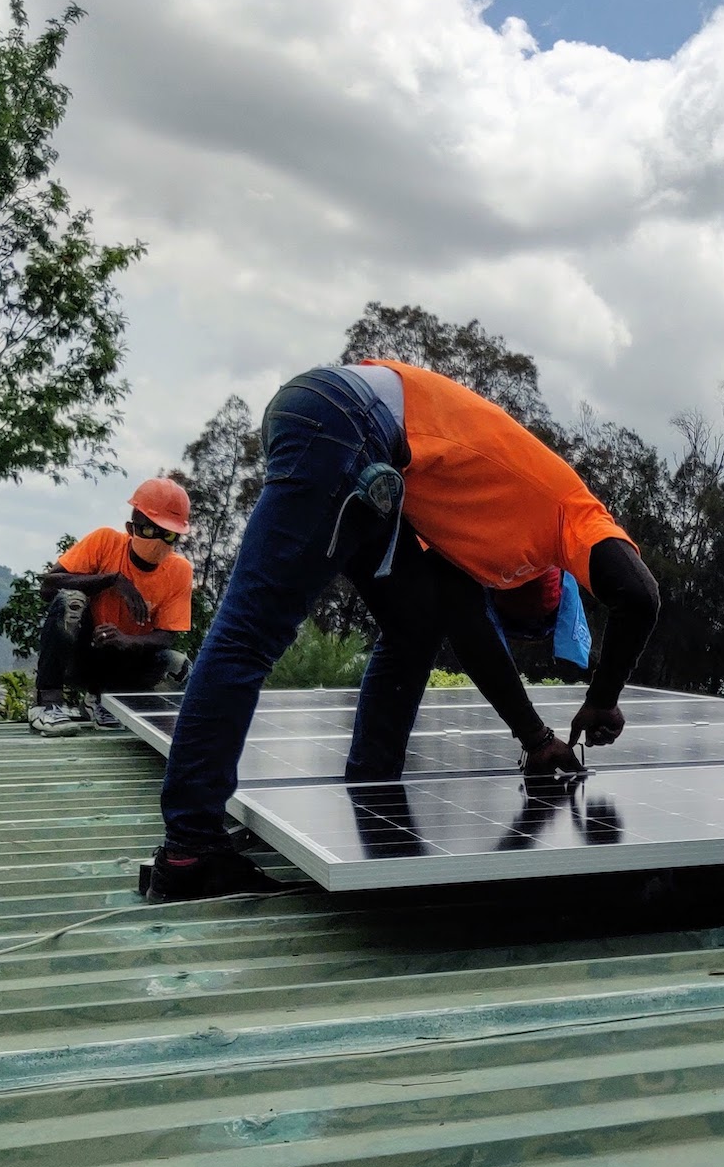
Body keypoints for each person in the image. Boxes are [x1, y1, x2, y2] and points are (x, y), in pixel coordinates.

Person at [145, 361, 659, 902]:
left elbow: (467, 629)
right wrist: (602, 701)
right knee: (250, 633)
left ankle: (370, 789)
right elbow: (640, 595)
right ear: (546, 579)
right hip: (350, 418)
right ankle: (191, 850)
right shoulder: (572, 512)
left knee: (415, 625)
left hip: (346, 426)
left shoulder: (476, 533)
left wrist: (536, 739)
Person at [28, 478, 195, 735]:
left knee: (178, 665)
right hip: (83, 653)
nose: (158, 541)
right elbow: (49, 587)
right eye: (149, 531)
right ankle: (47, 703)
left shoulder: (179, 571)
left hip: (125, 662)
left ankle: (107, 702)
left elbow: (166, 636)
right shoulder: (105, 542)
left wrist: (128, 640)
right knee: (70, 600)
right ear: (131, 528)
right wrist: (111, 579)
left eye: (169, 534)